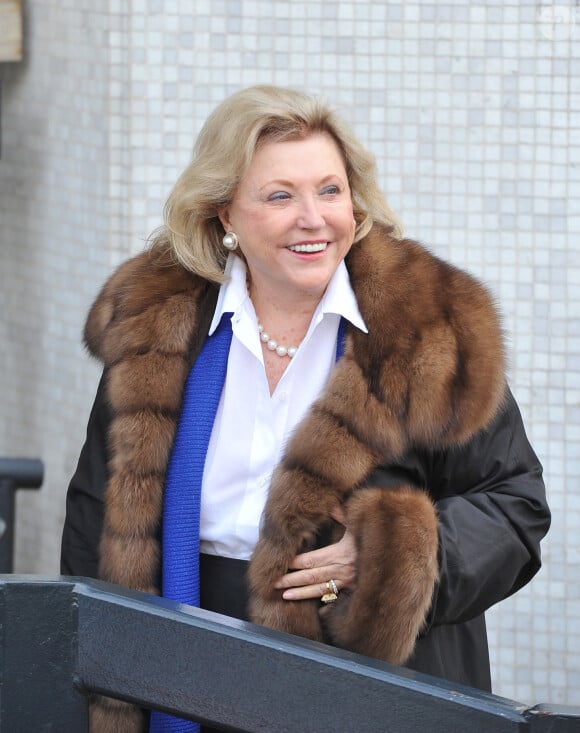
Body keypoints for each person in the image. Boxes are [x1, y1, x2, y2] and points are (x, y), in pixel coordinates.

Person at [61, 85, 550, 733]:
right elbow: (95, 521)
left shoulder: (424, 327)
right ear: (223, 215)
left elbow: (515, 500)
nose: (313, 218)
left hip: (374, 682)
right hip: (178, 670)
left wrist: (385, 557)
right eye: (280, 195)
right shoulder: (157, 329)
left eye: (329, 190)